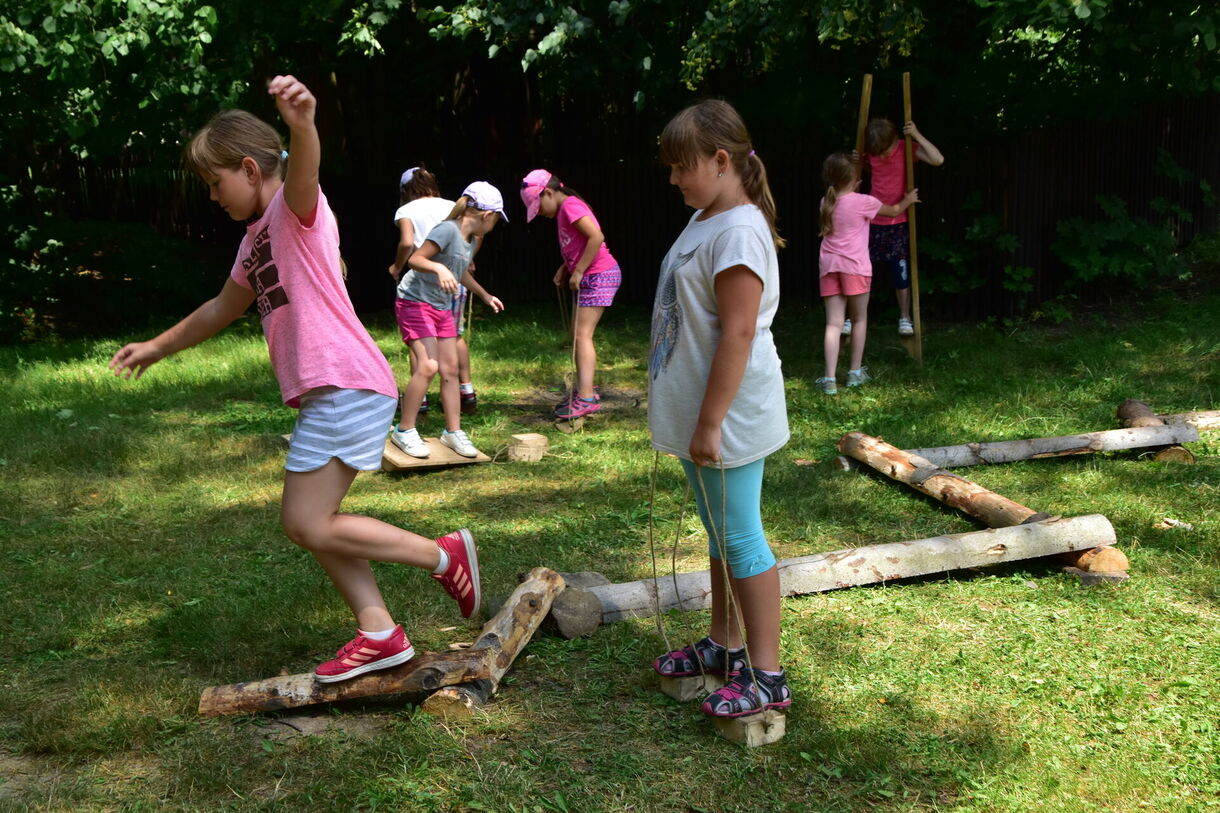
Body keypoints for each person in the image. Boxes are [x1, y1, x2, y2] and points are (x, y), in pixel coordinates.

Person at [107, 75, 481, 683]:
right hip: (333, 389)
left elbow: (302, 169)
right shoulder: (254, 240)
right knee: (314, 522)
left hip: (347, 382)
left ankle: (443, 557)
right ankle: (380, 632)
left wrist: (302, 124)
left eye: (215, 182)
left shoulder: (293, 211)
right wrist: (157, 346)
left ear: (251, 169)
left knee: (306, 521)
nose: (212, 196)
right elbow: (220, 308)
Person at [648, 99, 793, 718]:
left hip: (727, 417)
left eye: (683, 167)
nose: (675, 178)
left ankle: (767, 676)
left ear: (721, 159)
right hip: (701, 414)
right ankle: (725, 646)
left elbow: (737, 334)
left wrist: (709, 423)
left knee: (741, 538)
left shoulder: (737, 229)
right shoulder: (708, 215)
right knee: (720, 535)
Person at [391, 182, 506, 459]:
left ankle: (453, 432)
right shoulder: (447, 229)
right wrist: (438, 267)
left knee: (450, 370)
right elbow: (416, 259)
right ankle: (404, 430)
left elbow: (461, 271)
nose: (494, 226)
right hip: (414, 302)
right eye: (496, 220)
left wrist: (484, 294)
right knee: (428, 365)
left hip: (442, 306)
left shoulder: (471, 240)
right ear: (485, 215)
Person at [520, 170, 622, 419]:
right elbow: (578, 244)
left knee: (582, 336)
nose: (540, 212)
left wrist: (578, 271)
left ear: (549, 193)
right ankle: (584, 389)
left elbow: (596, 237)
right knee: (578, 335)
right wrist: (565, 268)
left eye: (538, 205)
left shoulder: (570, 207)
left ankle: (586, 397)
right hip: (592, 274)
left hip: (600, 275)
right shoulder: (566, 208)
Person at [817, 152, 919, 394]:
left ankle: (829, 379)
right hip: (855, 267)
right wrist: (909, 199)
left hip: (829, 266)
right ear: (854, 179)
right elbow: (894, 211)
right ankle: (854, 373)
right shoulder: (864, 201)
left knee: (833, 323)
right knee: (860, 319)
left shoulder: (825, 202)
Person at [388, 167, 479, 416]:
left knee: (420, 343)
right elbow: (470, 238)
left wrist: (397, 266)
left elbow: (407, 242)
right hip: (454, 281)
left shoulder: (406, 210)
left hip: (424, 285)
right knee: (455, 335)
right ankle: (466, 390)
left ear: (406, 190)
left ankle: (422, 398)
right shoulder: (451, 205)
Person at [855, 118, 944, 337]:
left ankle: (904, 316)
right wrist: (859, 161)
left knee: (899, 270)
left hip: (897, 221)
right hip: (872, 219)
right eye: (879, 153)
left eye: (886, 151)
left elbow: (937, 159)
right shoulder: (874, 151)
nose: (883, 156)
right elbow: (870, 167)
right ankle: (853, 315)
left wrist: (915, 134)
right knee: (861, 269)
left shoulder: (905, 149)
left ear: (895, 140)